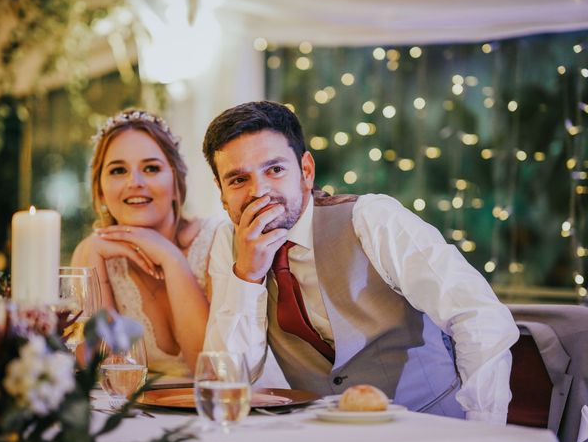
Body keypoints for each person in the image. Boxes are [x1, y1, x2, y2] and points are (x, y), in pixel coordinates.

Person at [201, 100, 520, 423]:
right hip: (327, 439)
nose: (260, 192)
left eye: (275, 169)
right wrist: (248, 277)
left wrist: (482, 427)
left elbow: (478, 315)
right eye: (238, 180)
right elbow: (226, 379)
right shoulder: (228, 247)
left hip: (427, 427)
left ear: (306, 171)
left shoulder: (372, 220)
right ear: (222, 192)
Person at [72, 109, 221, 376]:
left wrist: (172, 259)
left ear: (176, 181)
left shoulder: (216, 242)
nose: (135, 183)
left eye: (151, 168)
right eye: (118, 170)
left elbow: (211, 371)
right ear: (100, 191)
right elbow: (100, 375)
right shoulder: (93, 252)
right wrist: (94, 263)